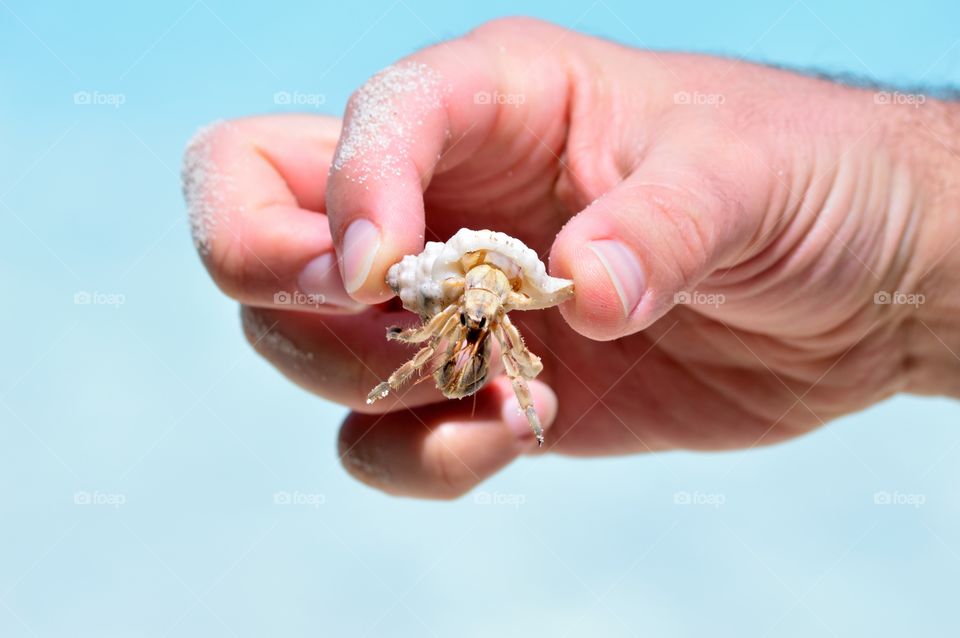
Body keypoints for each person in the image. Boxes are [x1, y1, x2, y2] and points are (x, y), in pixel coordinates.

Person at [182, 18, 960, 499]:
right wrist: (898, 313)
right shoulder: (471, 302)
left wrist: (915, 264)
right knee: (423, 365)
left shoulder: (515, 308)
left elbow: (519, 331)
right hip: (479, 293)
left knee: (486, 363)